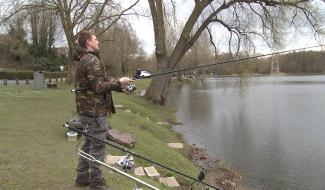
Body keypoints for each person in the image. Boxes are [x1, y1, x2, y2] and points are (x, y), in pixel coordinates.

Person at [74, 31, 132, 190]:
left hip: (86, 110)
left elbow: (101, 81)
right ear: (88, 43)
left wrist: (121, 86)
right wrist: (119, 81)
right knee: (98, 147)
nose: (98, 41)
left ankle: (81, 177)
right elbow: (99, 87)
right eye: (95, 39)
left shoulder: (82, 59)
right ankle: (96, 183)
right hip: (95, 112)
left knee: (88, 144)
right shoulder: (91, 59)